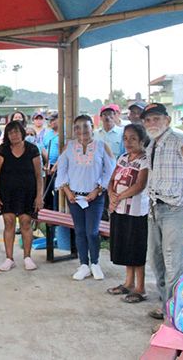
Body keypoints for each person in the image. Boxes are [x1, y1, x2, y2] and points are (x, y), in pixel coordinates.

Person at [143, 103, 183, 320]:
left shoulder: (182, 142)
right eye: (148, 120)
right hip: (154, 209)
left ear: (167, 120)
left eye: (156, 118)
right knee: (156, 260)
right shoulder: (151, 145)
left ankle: (174, 317)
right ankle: (165, 305)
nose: (152, 123)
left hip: (175, 209)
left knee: (174, 264)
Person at [55, 115, 115, 281]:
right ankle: (83, 264)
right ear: (74, 130)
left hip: (95, 197)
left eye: (85, 127)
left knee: (92, 232)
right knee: (80, 231)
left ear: (92, 127)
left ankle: (95, 263)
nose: (82, 131)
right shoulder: (69, 147)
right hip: (74, 197)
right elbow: (62, 170)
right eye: (78, 128)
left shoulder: (102, 146)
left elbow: (109, 170)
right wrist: (67, 191)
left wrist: (97, 190)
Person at [106, 124, 149, 303]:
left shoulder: (146, 159)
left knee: (136, 248)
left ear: (141, 140)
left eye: (133, 138)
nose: (128, 142)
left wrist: (119, 197)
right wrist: (111, 195)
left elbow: (140, 185)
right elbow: (111, 180)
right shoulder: (123, 157)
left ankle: (141, 288)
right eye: (125, 138)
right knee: (124, 246)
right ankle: (128, 283)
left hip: (136, 212)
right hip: (119, 210)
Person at [0, 121, 43, 272]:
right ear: (7, 135)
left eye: (16, 132)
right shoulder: (3, 149)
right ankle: (9, 258)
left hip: (28, 193)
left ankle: (27, 257)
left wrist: (39, 196)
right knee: (8, 224)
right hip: (6, 193)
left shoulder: (32, 149)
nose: (14, 135)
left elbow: (39, 175)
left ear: (22, 132)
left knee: (26, 223)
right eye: (10, 133)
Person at [42, 113, 60, 210]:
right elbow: (43, 149)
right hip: (48, 166)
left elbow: (64, 152)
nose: (51, 122)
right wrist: (47, 163)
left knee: (57, 192)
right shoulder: (48, 134)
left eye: (53, 120)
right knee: (47, 193)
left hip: (60, 168)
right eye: (50, 120)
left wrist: (55, 166)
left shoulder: (64, 133)